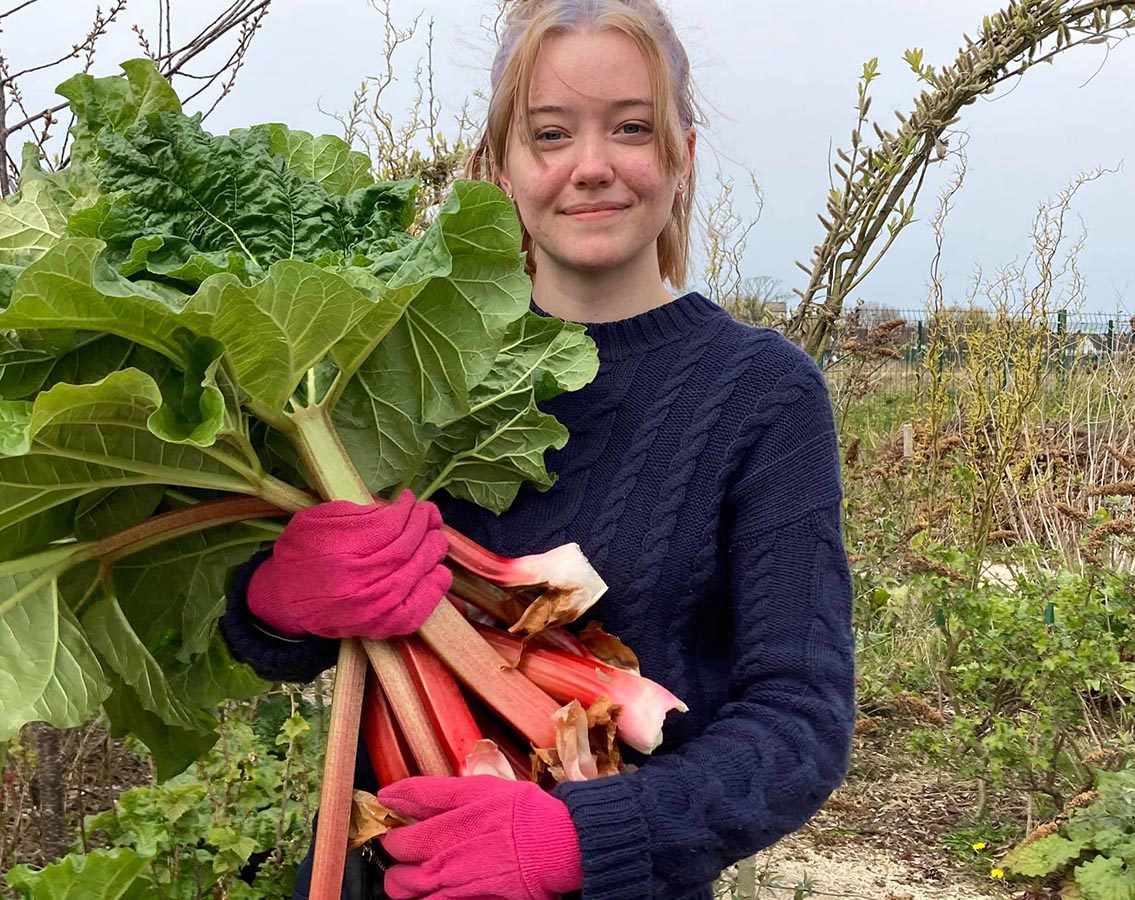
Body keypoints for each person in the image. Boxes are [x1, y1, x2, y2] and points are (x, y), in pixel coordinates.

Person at [219, 1, 856, 898]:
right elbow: (276, 639)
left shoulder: (762, 394)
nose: (590, 167)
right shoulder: (396, 355)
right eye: (549, 134)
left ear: (683, 156)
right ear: (501, 169)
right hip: (387, 874)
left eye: (631, 128)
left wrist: (581, 837)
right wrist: (275, 599)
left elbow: (801, 724)